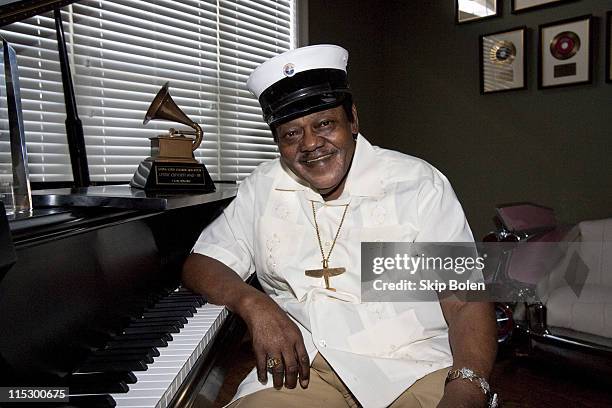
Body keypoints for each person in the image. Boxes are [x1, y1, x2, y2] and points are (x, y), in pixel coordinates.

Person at [182, 44, 497, 408]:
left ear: (353, 121)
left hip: (412, 365)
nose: (311, 144)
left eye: (325, 124)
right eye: (291, 134)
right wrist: (253, 304)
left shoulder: (417, 184)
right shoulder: (263, 187)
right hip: (303, 369)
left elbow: (464, 301)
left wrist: (467, 386)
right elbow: (200, 262)